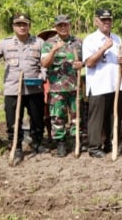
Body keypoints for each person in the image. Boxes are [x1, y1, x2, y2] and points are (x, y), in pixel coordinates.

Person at [0, 12, 48, 164]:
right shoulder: (5, 43)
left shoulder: (38, 43)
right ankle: (16, 146)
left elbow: (45, 63)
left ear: (29, 26)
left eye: (24, 24)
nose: (22, 27)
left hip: (34, 89)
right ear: (13, 26)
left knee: (37, 119)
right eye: (18, 24)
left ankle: (37, 143)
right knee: (13, 120)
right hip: (13, 89)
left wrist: (43, 75)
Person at [82, 8, 122, 158]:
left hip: (115, 85)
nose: (107, 22)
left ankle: (110, 143)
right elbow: (90, 63)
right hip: (99, 85)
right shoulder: (90, 39)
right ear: (96, 21)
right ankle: (94, 147)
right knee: (97, 119)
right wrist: (103, 48)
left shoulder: (117, 38)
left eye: (109, 20)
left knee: (114, 116)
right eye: (103, 20)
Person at [40, 14, 83, 157]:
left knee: (77, 116)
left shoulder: (78, 42)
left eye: (65, 24)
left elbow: (86, 62)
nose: (63, 27)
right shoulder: (49, 43)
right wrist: (54, 50)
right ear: (56, 27)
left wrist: (80, 64)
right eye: (60, 25)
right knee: (57, 116)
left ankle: (76, 140)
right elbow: (45, 64)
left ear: (69, 25)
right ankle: (61, 143)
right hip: (57, 88)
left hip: (75, 87)